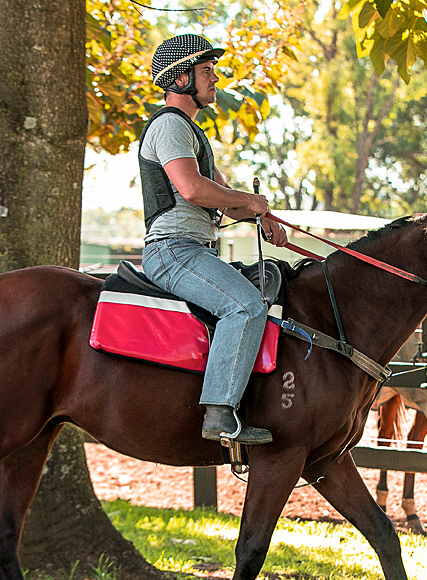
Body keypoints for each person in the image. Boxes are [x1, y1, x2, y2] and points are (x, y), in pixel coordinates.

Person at [139, 34, 287, 445]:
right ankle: (220, 414)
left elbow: (223, 199)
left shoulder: (190, 132)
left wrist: (262, 217)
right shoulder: (170, 125)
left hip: (192, 249)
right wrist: (250, 201)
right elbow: (192, 189)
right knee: (246, 306)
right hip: (173, 250)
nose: (215, 79)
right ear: (180, 79)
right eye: (206, 71)